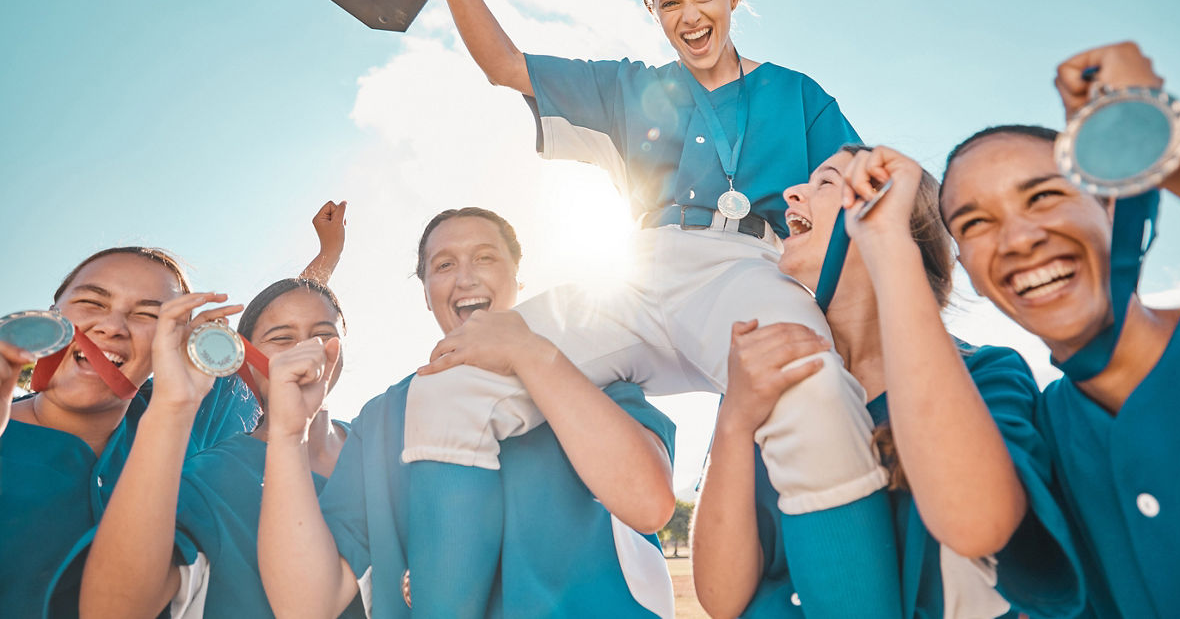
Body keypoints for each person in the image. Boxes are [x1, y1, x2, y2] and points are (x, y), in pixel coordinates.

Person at [399, 0, 897, 616]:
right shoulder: (631, 86)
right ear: (654, 13)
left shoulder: (797, 94)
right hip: (632, 273)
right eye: (668, 3)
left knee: (810, 386)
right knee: (452, 381)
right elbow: (505, 65)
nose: (689, 15)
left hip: (747, 270)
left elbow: (855, 200)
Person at [938, 41, 1180, 617]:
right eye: (975, 223)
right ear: (968, 272)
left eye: (1045, 195)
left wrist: (1147, 128)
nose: (1019, 240)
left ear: (1108, 204)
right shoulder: (1037, 439)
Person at [691, 145, 1086, 618]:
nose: (792, 193)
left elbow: (991, 536)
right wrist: (734, 419)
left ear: (885, 211)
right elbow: (721, 599)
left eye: (825, 183)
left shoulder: (983, 376)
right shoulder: (762, 377)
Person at [259, 207, 679, 618]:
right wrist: (287, 434)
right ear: (425, 292)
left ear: (517, 276)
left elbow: (648, 504)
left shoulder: (592, 374)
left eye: (485, 257)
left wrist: (527, 352)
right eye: (443, 265)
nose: (465, 278)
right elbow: (307, 605)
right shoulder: (382, 418)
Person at [78, 276, 364, 618]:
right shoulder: (209, 476)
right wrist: (172, 406)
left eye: (323, 335)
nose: (306, 349)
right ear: (244, 358)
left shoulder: (381, 442)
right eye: (282, 338)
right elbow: (113, 609)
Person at [0, 247, 259, 618]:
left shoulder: (188, 407)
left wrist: (326, 256)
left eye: (148, 314)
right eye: (92, 302)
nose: (112, 327)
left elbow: (283, 339)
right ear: (51, 317)